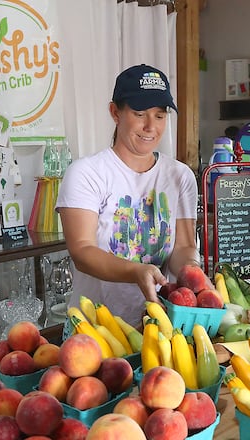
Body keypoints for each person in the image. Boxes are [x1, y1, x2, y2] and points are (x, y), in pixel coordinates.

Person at [55, 64, 202, 326]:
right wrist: (136, 271)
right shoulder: (87, 173)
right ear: (115, 112)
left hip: (159, 324)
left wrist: (193, 273)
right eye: (139, 113)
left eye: (160, 115)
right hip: (97, 330)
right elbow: (82, 251)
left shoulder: (180, 176)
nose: (150, 126)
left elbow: (182, 247)